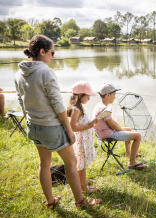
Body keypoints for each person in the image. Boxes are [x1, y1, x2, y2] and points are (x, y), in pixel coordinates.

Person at [14, 35, 101, 209]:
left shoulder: (19, 73)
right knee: (71, 163)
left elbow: (21, 100)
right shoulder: (46, 72)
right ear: (42, 51)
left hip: (33, 126)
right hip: (51, 128)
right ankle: (80, 202)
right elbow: (58, 105)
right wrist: (69, 129)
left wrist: (29, 118)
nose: (53, 56)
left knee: (44, 164)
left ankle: (50, 202)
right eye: (52, 52)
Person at [93, 83, 147, 170]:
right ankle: (132, 162)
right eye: (114, 94)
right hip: (107, 134)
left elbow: (112, 122)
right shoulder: (105, 109)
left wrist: (123, 130)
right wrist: (122, 130)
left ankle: (129, 153)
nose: (114, 97)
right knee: (138, 136)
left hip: (101, 132)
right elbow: (112, 125)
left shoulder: (99, 105)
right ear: (108, 95)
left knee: (128, 129)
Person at [67, 81, 99, 194]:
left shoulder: (81, 108)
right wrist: (89, 125)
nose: (89, 99)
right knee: (82, 165)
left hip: (84, 140)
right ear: (80, 96)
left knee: (82, 163)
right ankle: (84, 188)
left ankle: (82, 181)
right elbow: (73, 127)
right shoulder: (76, 110)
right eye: (88, 96)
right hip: (81, 141)